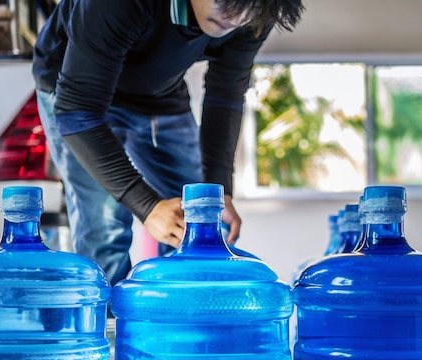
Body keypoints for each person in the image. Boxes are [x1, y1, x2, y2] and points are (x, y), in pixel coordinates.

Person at [32, 0, 305, 285]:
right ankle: (109, 323)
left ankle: (187, 315)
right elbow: (78, 113)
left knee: (202, 214)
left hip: (158, 90)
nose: (234, 17)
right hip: (75, 91)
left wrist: (219, 186)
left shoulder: (255, 10)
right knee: (105, 227)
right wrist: (148, 207)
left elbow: (226, 94)